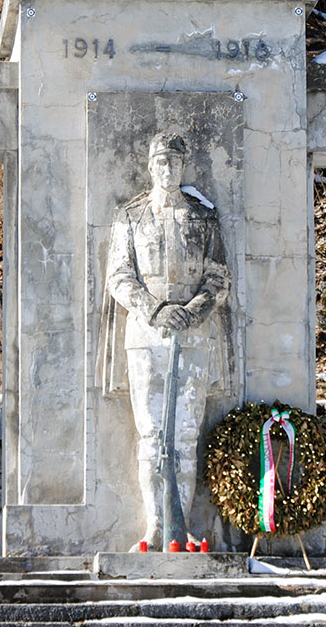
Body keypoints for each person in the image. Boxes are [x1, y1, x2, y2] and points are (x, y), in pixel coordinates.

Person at [103, 132, 230, 550]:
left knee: (185, 435)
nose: (167, 170)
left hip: (194, 336)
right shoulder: (130, 216)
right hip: (146, 334)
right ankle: (155, 525)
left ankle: (181, 524)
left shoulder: (203, 217)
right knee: (152, 435)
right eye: (161, 163)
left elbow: (218, 277)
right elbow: (119, 276)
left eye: (174, 163)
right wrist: (156, 309)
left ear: (182, 166)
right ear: (150, 166)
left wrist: (192, 311)